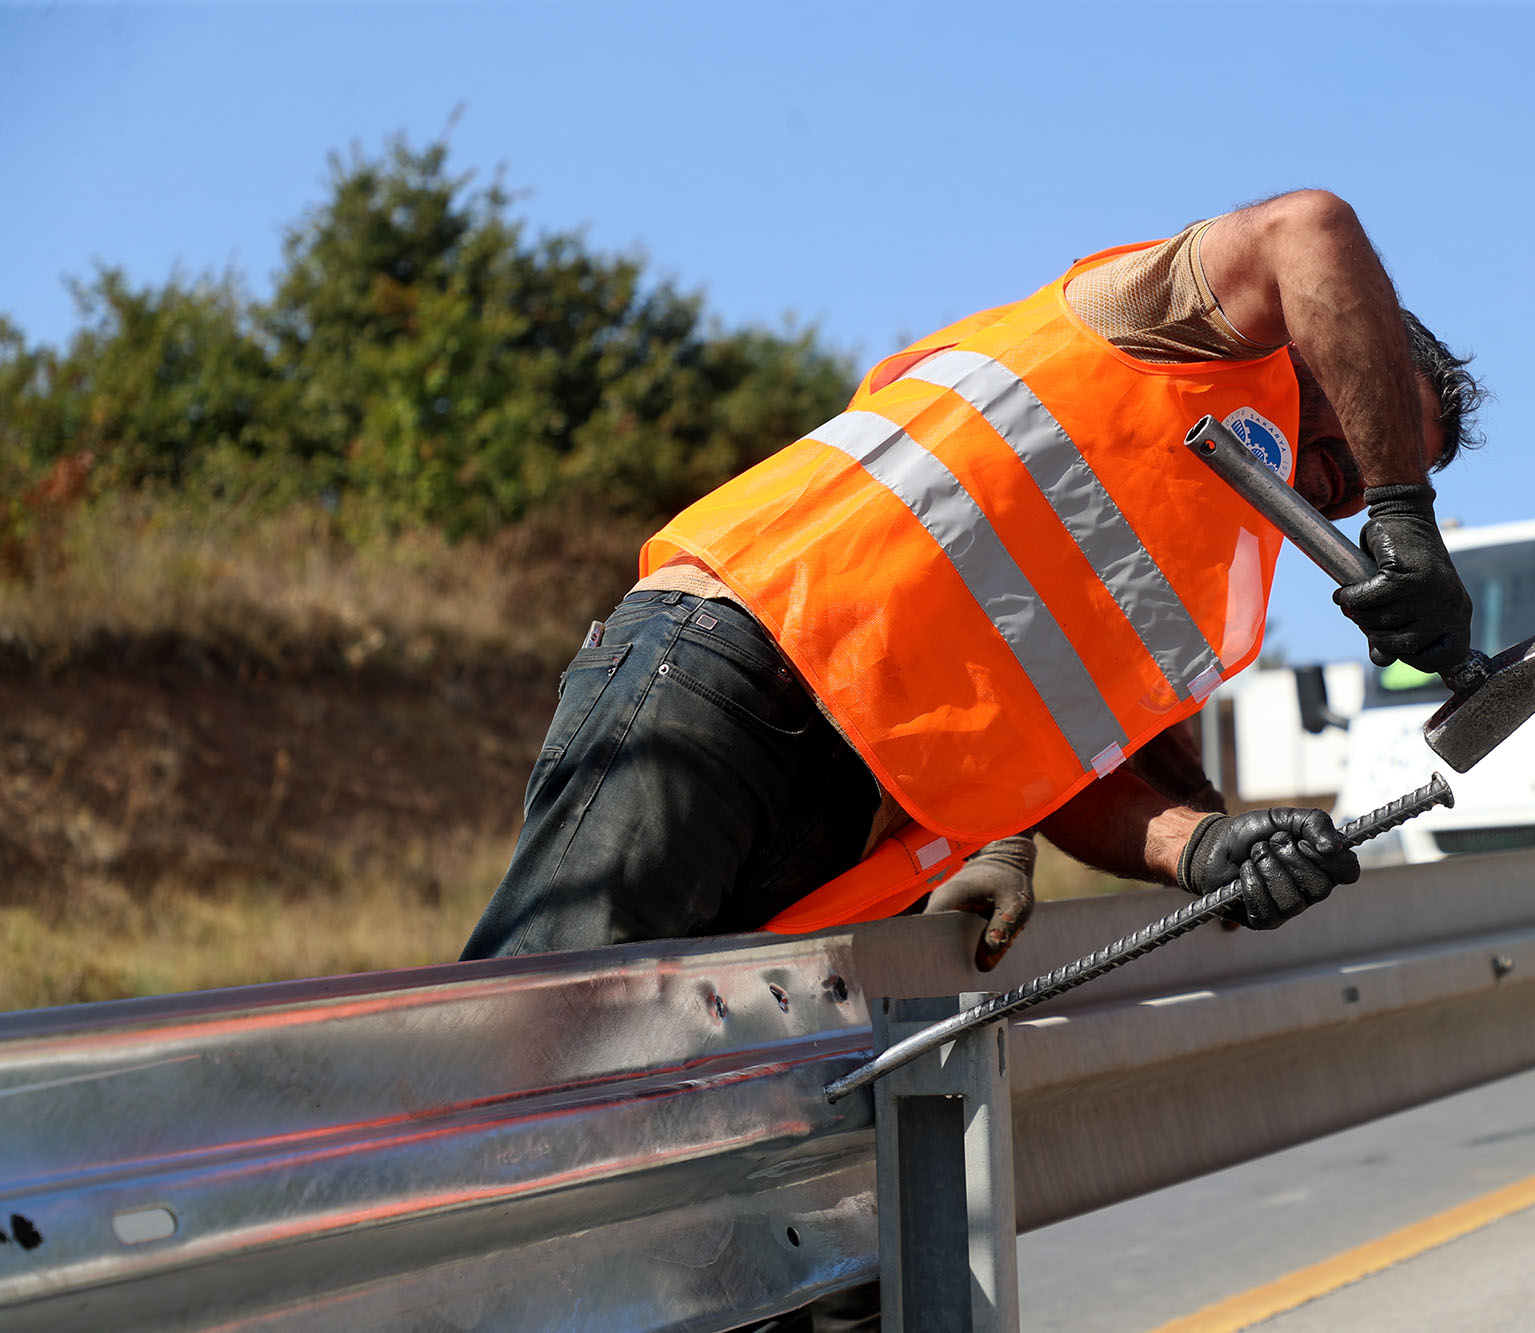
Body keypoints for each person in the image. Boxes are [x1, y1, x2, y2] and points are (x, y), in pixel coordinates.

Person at [461, 184, 1483, 975]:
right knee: (541, 1048)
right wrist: (1406, 512)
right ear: (1324, 340)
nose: (1348, 492)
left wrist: (1203, 846)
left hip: (859, 818)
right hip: (739, 669)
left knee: (691, 1128)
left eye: (1369, 485)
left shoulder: (1212, 576)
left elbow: (1069, 769)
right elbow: (1310, 226)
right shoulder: (1167, 332)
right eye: (1366, 433)